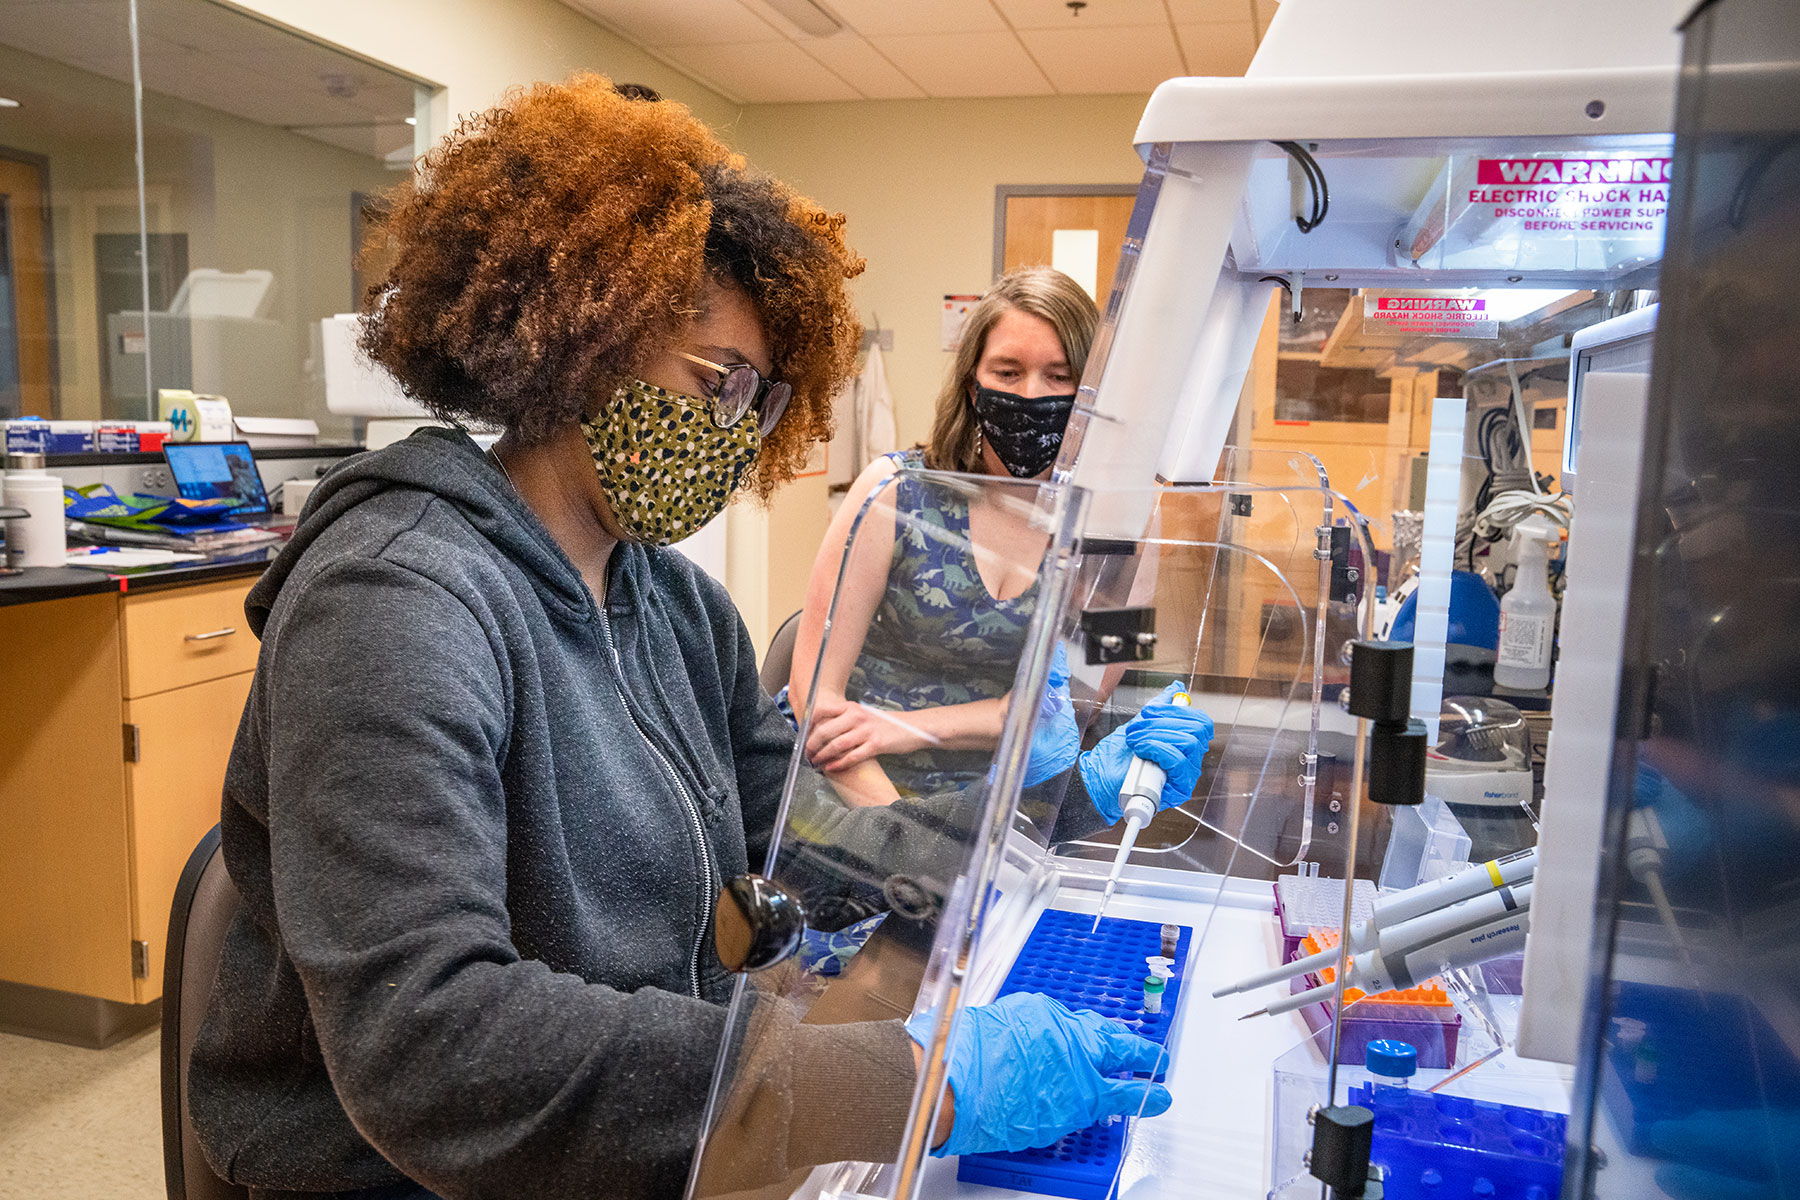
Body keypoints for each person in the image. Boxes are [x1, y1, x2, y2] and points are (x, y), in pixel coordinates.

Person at [185, 78, 1211, 1200]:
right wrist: (917, 1081)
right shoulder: (395, 601)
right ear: (581, 337)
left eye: (760, 402)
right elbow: (434, 1050)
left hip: (636, 1125)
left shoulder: (670, 604)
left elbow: (808, 828)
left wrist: (1059, 806)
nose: (734, 432)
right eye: (714, 382)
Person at [787, 268, 1098, 806]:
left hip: (1004, 802)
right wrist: (905, 835)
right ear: (972, 384)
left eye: (1059, 376)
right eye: (1007, 371)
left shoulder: (1111, 528)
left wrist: (909, 727)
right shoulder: (891, 491)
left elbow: (1074, 706)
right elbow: (813, 699)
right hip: (853, 780)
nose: (1031, 394)